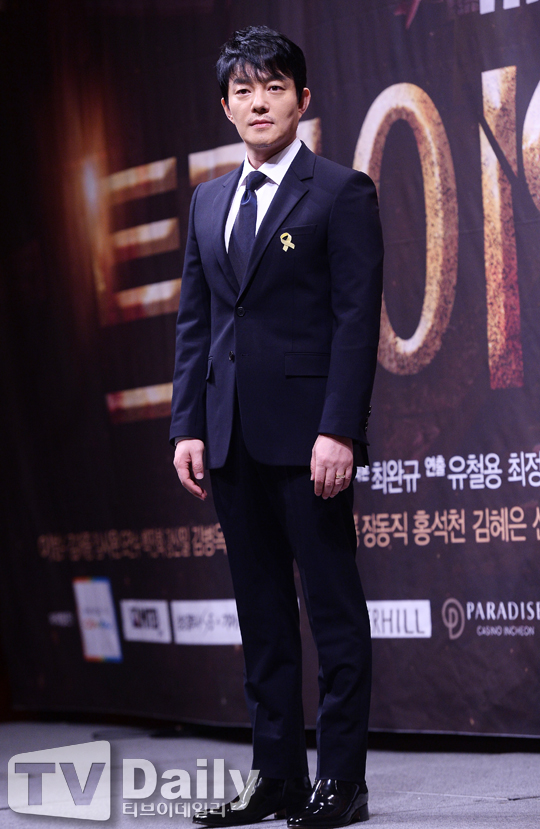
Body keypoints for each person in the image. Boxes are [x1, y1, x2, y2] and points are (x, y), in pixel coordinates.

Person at [170, 25, 383, 828]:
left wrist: (341, 429)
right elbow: (197, 323)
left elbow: (356, 321)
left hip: (309, 439)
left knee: (332, 611)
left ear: (302, 98)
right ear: (225, 106)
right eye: (244, 90)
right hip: (228, 439)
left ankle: (344, 782)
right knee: (261, 616)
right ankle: (277, 778)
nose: (259, 102)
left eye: (275, 87)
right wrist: (187, 425)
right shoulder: (208, 201)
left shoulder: (341, 192)